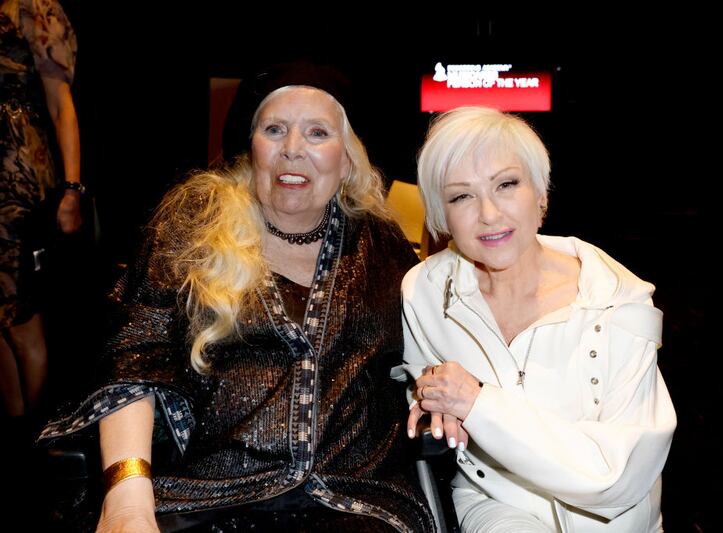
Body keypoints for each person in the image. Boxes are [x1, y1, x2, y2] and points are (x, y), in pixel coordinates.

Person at [39, 63, 434, 532]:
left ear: (346, 159)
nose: (292, 150)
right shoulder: (193, 227)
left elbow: (432, 345)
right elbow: (134, 364)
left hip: (351, 501)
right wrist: (127, 500)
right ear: (252, 148)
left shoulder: (382, 246)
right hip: (207, 497)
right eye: (274, 129)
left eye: (316, 133)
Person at [401, 106, 677, 532]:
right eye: (461, 196)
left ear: (541, 194)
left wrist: (476, 403)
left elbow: (618, 477)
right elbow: (424, 384)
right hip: (494, 501)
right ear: (442, 216)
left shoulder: (617, 302)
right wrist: (432, 400)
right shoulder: (424, 291)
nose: (489, 213)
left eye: (506, 185)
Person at [0, 0, 81, 427]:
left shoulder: (34, 8)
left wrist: (71, 189)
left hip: (15, 174)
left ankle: (41, 438)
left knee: (21, 317)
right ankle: (15, 436)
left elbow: (60, 106)